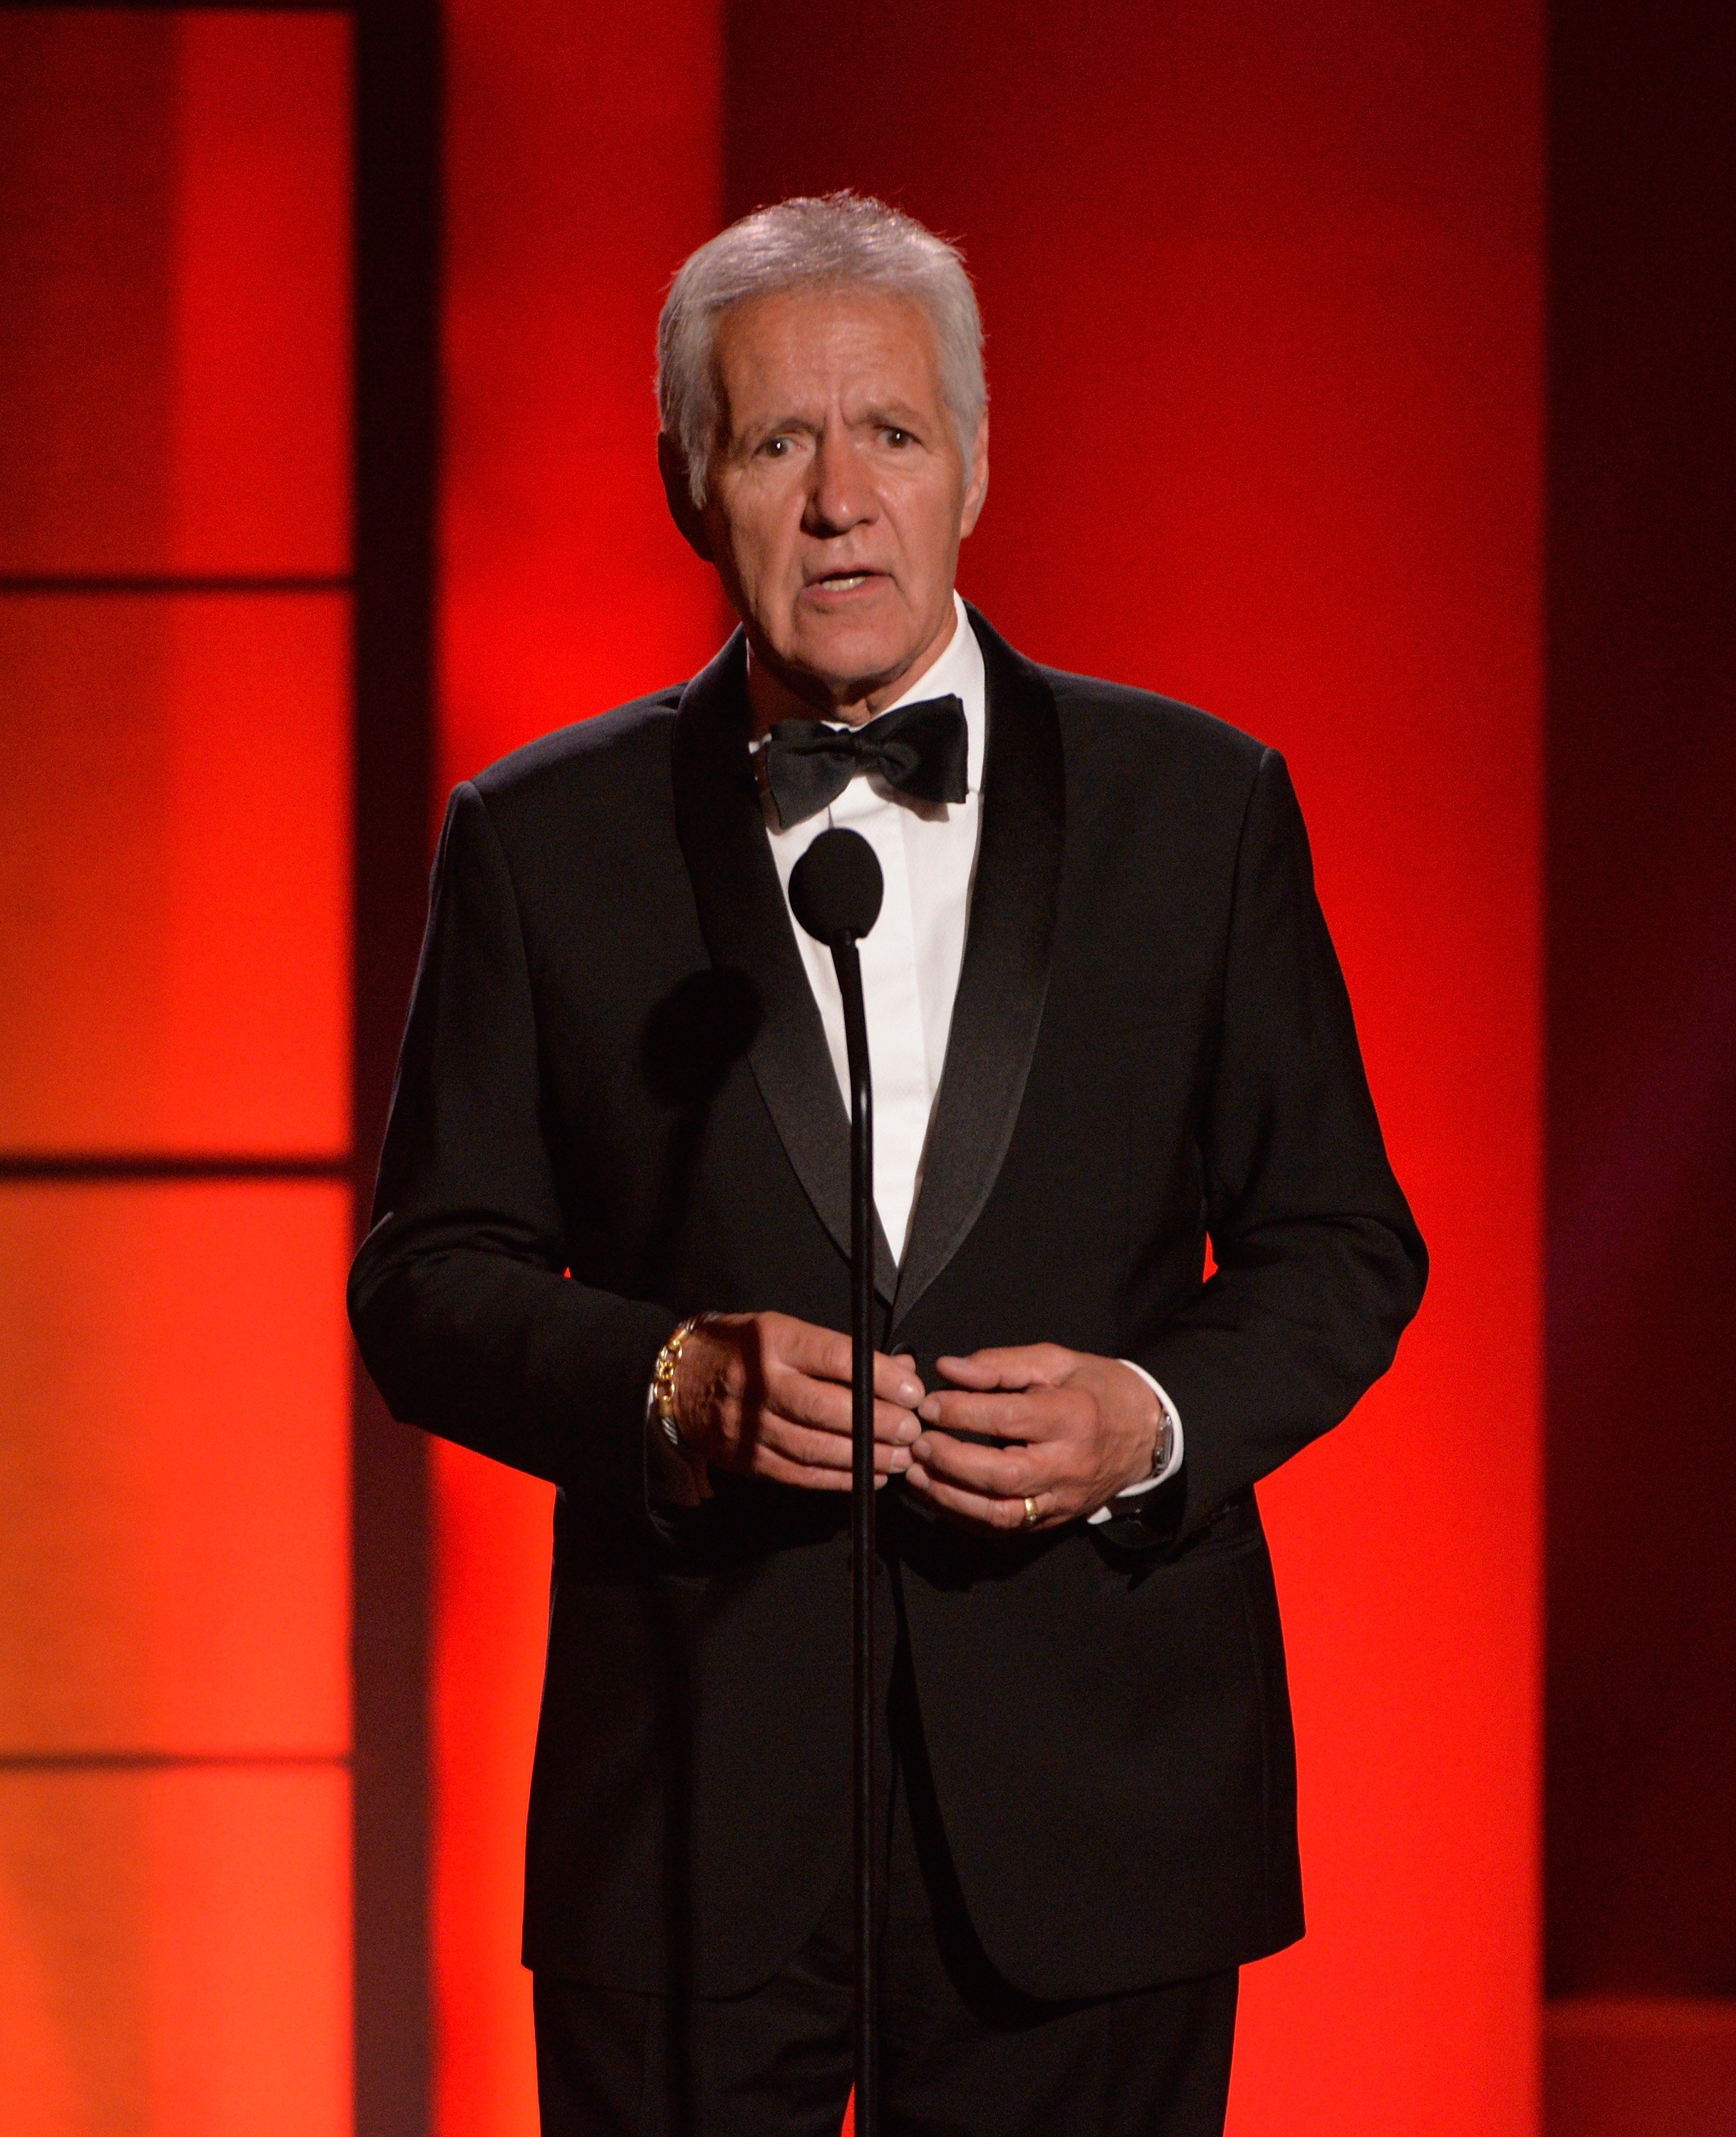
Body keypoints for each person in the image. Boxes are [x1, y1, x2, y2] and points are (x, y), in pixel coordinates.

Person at [350, 191, 1426, 2137]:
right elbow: (428, 1281)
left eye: (894, 437)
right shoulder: (541, 840)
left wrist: (1152, 1418)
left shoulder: (1201, 809)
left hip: (1097, 1821)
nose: (842, 498)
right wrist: (672, 1382)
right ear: (695, 484)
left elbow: (1343, 1243)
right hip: (684, 1830)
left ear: (976, 468)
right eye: (778, 441)